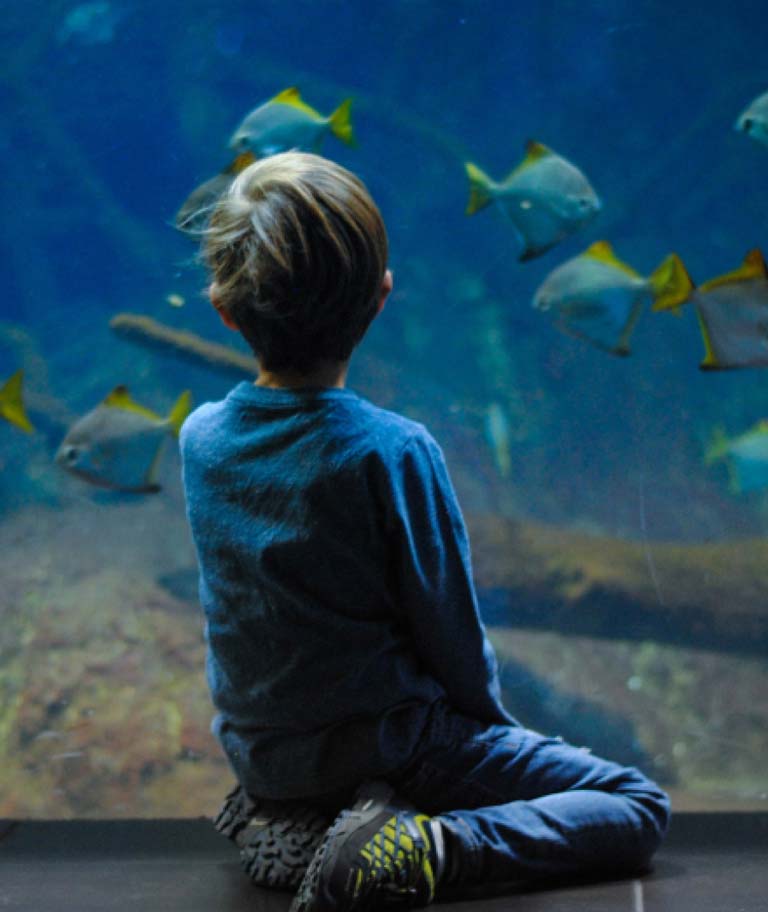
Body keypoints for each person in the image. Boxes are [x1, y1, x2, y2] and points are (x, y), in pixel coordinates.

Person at [179, 151, 670, 912]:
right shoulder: (391, 449)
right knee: (634, 804)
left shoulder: (201, 438)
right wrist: (489, 730)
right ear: (380, 299)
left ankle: (300, 821)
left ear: (224, 306)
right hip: (394, 746)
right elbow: (448, 627)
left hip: (265, 756)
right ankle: (425, 847)